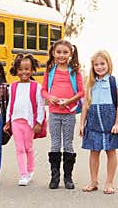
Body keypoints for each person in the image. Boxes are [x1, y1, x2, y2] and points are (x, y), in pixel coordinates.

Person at [80, 50, 118, 194]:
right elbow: (85, 106)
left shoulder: (113, 81)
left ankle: (109, 182)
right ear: (93, 67)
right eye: (96, 65)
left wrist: (117, 123)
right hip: (93, 124)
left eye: (102, 64)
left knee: (111, 152)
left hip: (110, 124)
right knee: (94, 152)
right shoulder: (90, 84)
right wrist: (82, 124)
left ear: (108, 64)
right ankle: (93, 181)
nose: (99, 67)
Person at [41, 39, 84, 189]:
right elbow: (43, 90)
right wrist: (50, 97)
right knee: (55, 143)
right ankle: (55, 177)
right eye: (58, 52)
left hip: (69, 113)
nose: (61, 55)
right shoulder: (50, 70)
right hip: (54, 113)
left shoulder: (75, 71)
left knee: (68, 143)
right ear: (53, 53)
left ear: (70, 54)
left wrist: (69, 101)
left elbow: (81, 92)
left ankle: (68, 177)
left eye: (65, 52)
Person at [3, 54, 45, 186]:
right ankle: (23, 174)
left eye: (27, 69)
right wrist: (8, 121)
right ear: (16, 71)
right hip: (16, 121)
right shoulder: (13, 86)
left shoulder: (36, 86)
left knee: (28, 147)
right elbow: (11, 104)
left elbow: (40, 105)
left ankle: (30, 169)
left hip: (29, 122)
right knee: (19, 148)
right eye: (20, 69)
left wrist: (39, 122)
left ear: (32, 70)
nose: (24, 72)